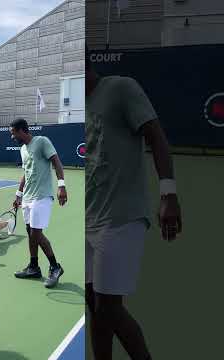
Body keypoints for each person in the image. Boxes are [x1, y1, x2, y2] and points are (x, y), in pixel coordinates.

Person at [85, 46, 182, 360]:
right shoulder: (77, 107)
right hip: (87, 220)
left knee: (108, 308)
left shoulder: (119, 87)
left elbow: (156, 136)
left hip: (121, 216)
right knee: (94, 306)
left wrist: (168, 194)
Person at [9, 118, 68, 289]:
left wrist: (61, 186)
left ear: (22, 130)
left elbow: (56, 162)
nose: (12, 137)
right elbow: (26, 174)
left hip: (41, 196)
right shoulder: (23, 149)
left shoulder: (42, 141)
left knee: (36, 232)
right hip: (27, 197)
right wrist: (18, 194)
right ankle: (34, 267)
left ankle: (55, 267)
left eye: (13, 133)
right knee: (30, 231)